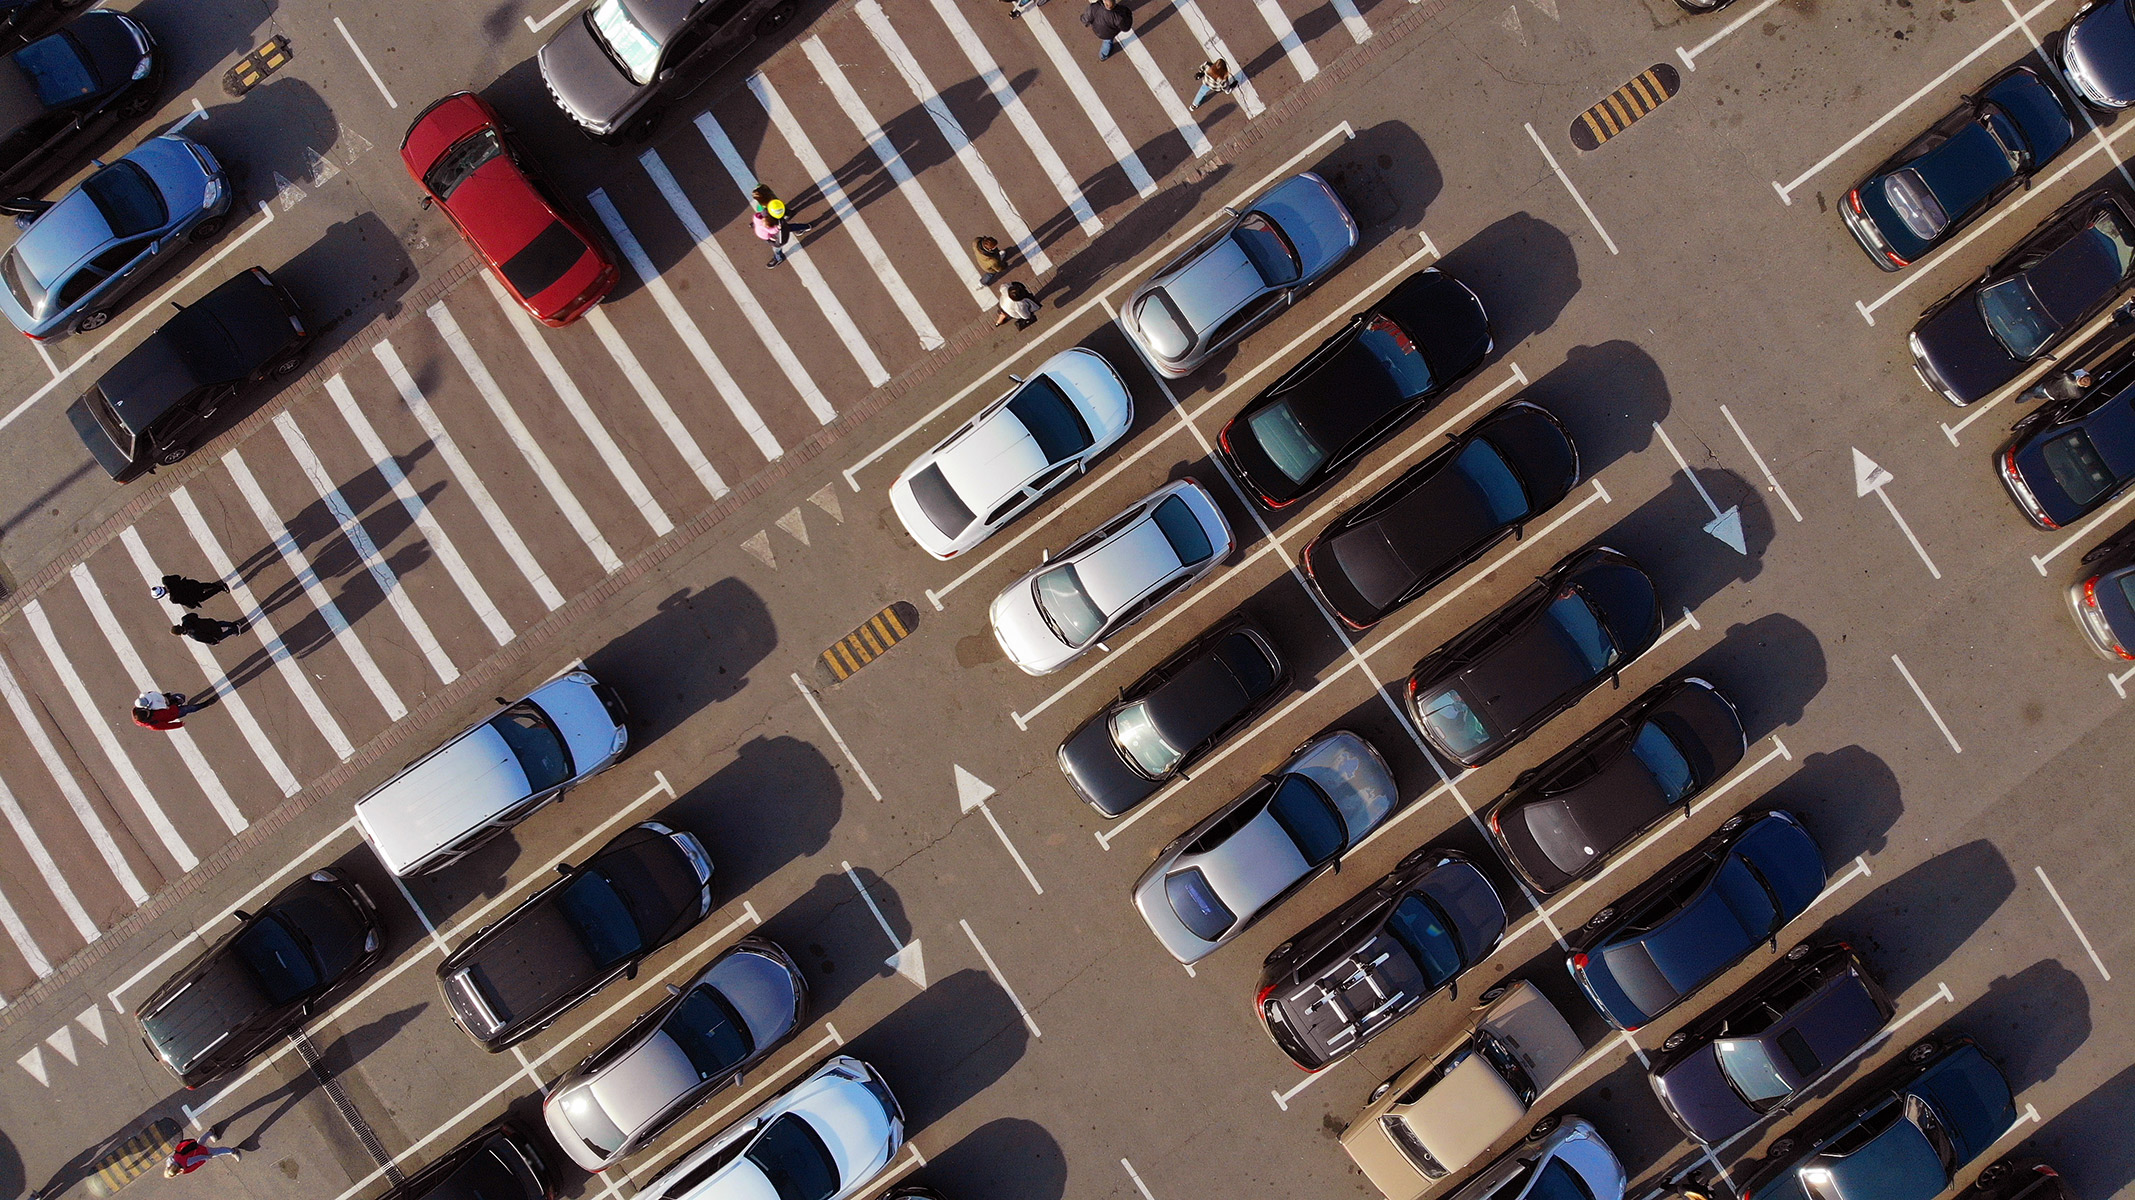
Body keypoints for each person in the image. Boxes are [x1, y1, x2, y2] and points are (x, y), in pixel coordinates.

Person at [753, 199, 814, 268]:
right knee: (789, 228)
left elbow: (779, 243)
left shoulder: (766, 214)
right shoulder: (768, 215)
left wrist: (772, 242)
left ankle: (778, 258)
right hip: (775, 232)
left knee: (777, 248)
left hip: (775, 235)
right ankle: (804, 227)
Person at [163, 1135, 238, 1176]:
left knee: (217, 1151)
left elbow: (198, 1158)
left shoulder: (186, 1163)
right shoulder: (172, 1160)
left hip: (200, 1152)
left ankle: (232, 1151)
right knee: (201, 1141)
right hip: (193, 1148)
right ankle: (211, 1132)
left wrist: (207, 1157)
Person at [2020, 365, 2093, 406]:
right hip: (2052, 396)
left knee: (2030, 392)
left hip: (2046, 387)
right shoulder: (2079, 394)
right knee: (2039, 396)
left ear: (2082, 376)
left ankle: (2020, 399)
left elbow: (2056, 372)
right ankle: (2033, 396)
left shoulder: (2067, 377)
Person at [133, 691, 205, 731]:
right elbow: (166, 726)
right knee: (190, 708)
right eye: (148, 714)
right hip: (175, 713)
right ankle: (204, 704)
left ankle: (180, 702)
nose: (149, 711)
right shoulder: (153, 725)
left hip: (168, 703)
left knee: (181, 696)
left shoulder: (140, 705)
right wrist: (179, 724)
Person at [152, 574, 227, 609]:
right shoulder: (165, 580)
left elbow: (185, 602)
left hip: (193, 595)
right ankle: (213, 585)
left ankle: (219, 588)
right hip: (191, 584)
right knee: (201, 585)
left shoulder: (173, 598)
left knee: (203, 597)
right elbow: (178, 577)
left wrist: (192, 606)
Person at [172, 614, 244, 645]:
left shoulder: (194, 635)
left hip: (213, 633)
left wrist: (214, 642)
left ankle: (233, 630)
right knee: (220, 623)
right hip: (209, 622)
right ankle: (232, 624)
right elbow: (195, 615)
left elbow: (206, 639)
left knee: (221, 636)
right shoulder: (185, 619)